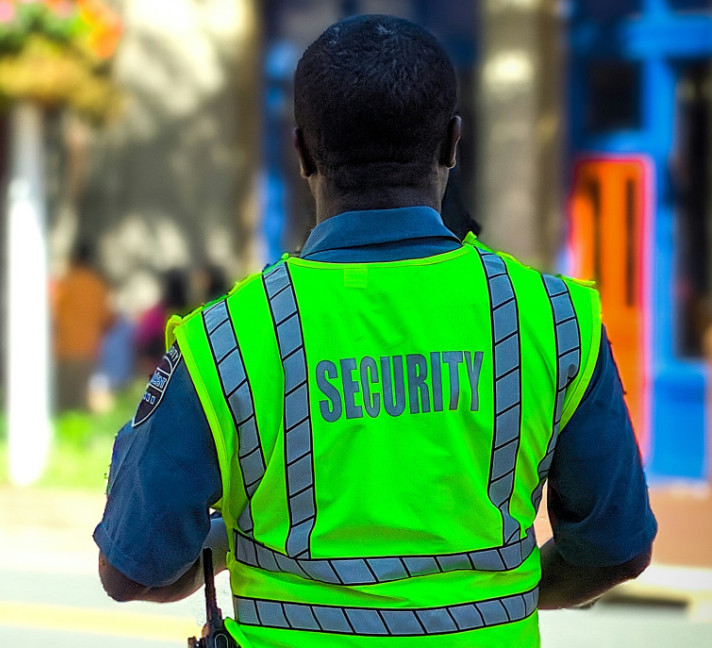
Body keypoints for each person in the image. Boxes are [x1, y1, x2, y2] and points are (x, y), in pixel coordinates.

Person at [94, 15, 655, 648]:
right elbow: (615, 548)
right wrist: (503, 594)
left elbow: (130, 569)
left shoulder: (227, 340)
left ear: (302, 152)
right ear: (452, 145)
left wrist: (226, 545)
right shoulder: (555, 322)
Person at [53, 242, 113, 411]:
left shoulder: (65, 283)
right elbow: (107, 319)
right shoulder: (98, 285)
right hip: (88, 351)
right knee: (81, 404)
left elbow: (52, 314)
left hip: (64, 350)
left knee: (63, 404)